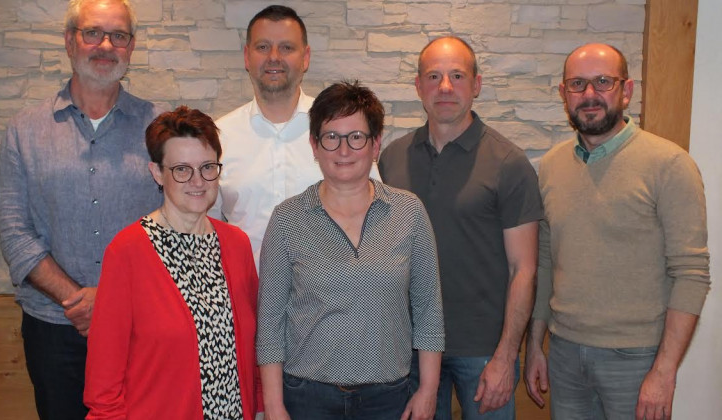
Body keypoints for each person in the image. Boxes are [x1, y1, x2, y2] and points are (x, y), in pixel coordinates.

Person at [0, 1, 163, 418]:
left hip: (141, 326)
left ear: (131, 47)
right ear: (70, 41)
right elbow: (15, 232)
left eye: (118, 36)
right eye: (93, 33)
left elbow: (179, 224)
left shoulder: (160, 128)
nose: (105, 45)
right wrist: (79, 301)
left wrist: (114, 302)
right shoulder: (24, 131)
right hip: (54, 327)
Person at [525, 43, 710, 420]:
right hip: (564, 354)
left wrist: (664, 371)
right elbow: (544, 261)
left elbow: (691, 273)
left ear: (626, 91)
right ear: (563, 94)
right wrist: (535, 346)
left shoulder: (670, 165)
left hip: (637, 360)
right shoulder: (552, 166)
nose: (589, 94)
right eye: (577, 84)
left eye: (603, 82)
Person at [256, 81, 445, 420]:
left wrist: (428, 390)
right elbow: (270, 322)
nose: (343, 150)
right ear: (314, 145)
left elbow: (428, 310)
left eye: (356, 137)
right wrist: (273, 404)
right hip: (307, 398)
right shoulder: (287, 219)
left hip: (389, 397)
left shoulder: (409, 212)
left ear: (375, 144)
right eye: (331, 137)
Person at [379, 36, 542, 419]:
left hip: (483, 352)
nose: (445, 87)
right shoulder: (392, 159)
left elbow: (524, 269)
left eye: (457, 75)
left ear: (477, 85)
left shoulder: (508, 163)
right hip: (410, 350)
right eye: (433, 76)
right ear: (419, 86)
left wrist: (506, 356)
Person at [84, 106, 261, 419]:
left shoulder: (237, 245)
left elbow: (254, 349)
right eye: (182, 169)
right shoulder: (128, 252)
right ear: (157, 173)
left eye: (207, 167)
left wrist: (260, 408)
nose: (198, 181)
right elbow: (104, 383)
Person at [210, 5, 378, 269]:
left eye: (286, 47)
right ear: (247, 57)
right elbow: (205, 227)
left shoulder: (340, 130)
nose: (274, 57)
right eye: (263, 47)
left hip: (328, 291)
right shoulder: (219, 139)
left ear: (305, 57)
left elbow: (375, 214)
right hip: (246, 291)